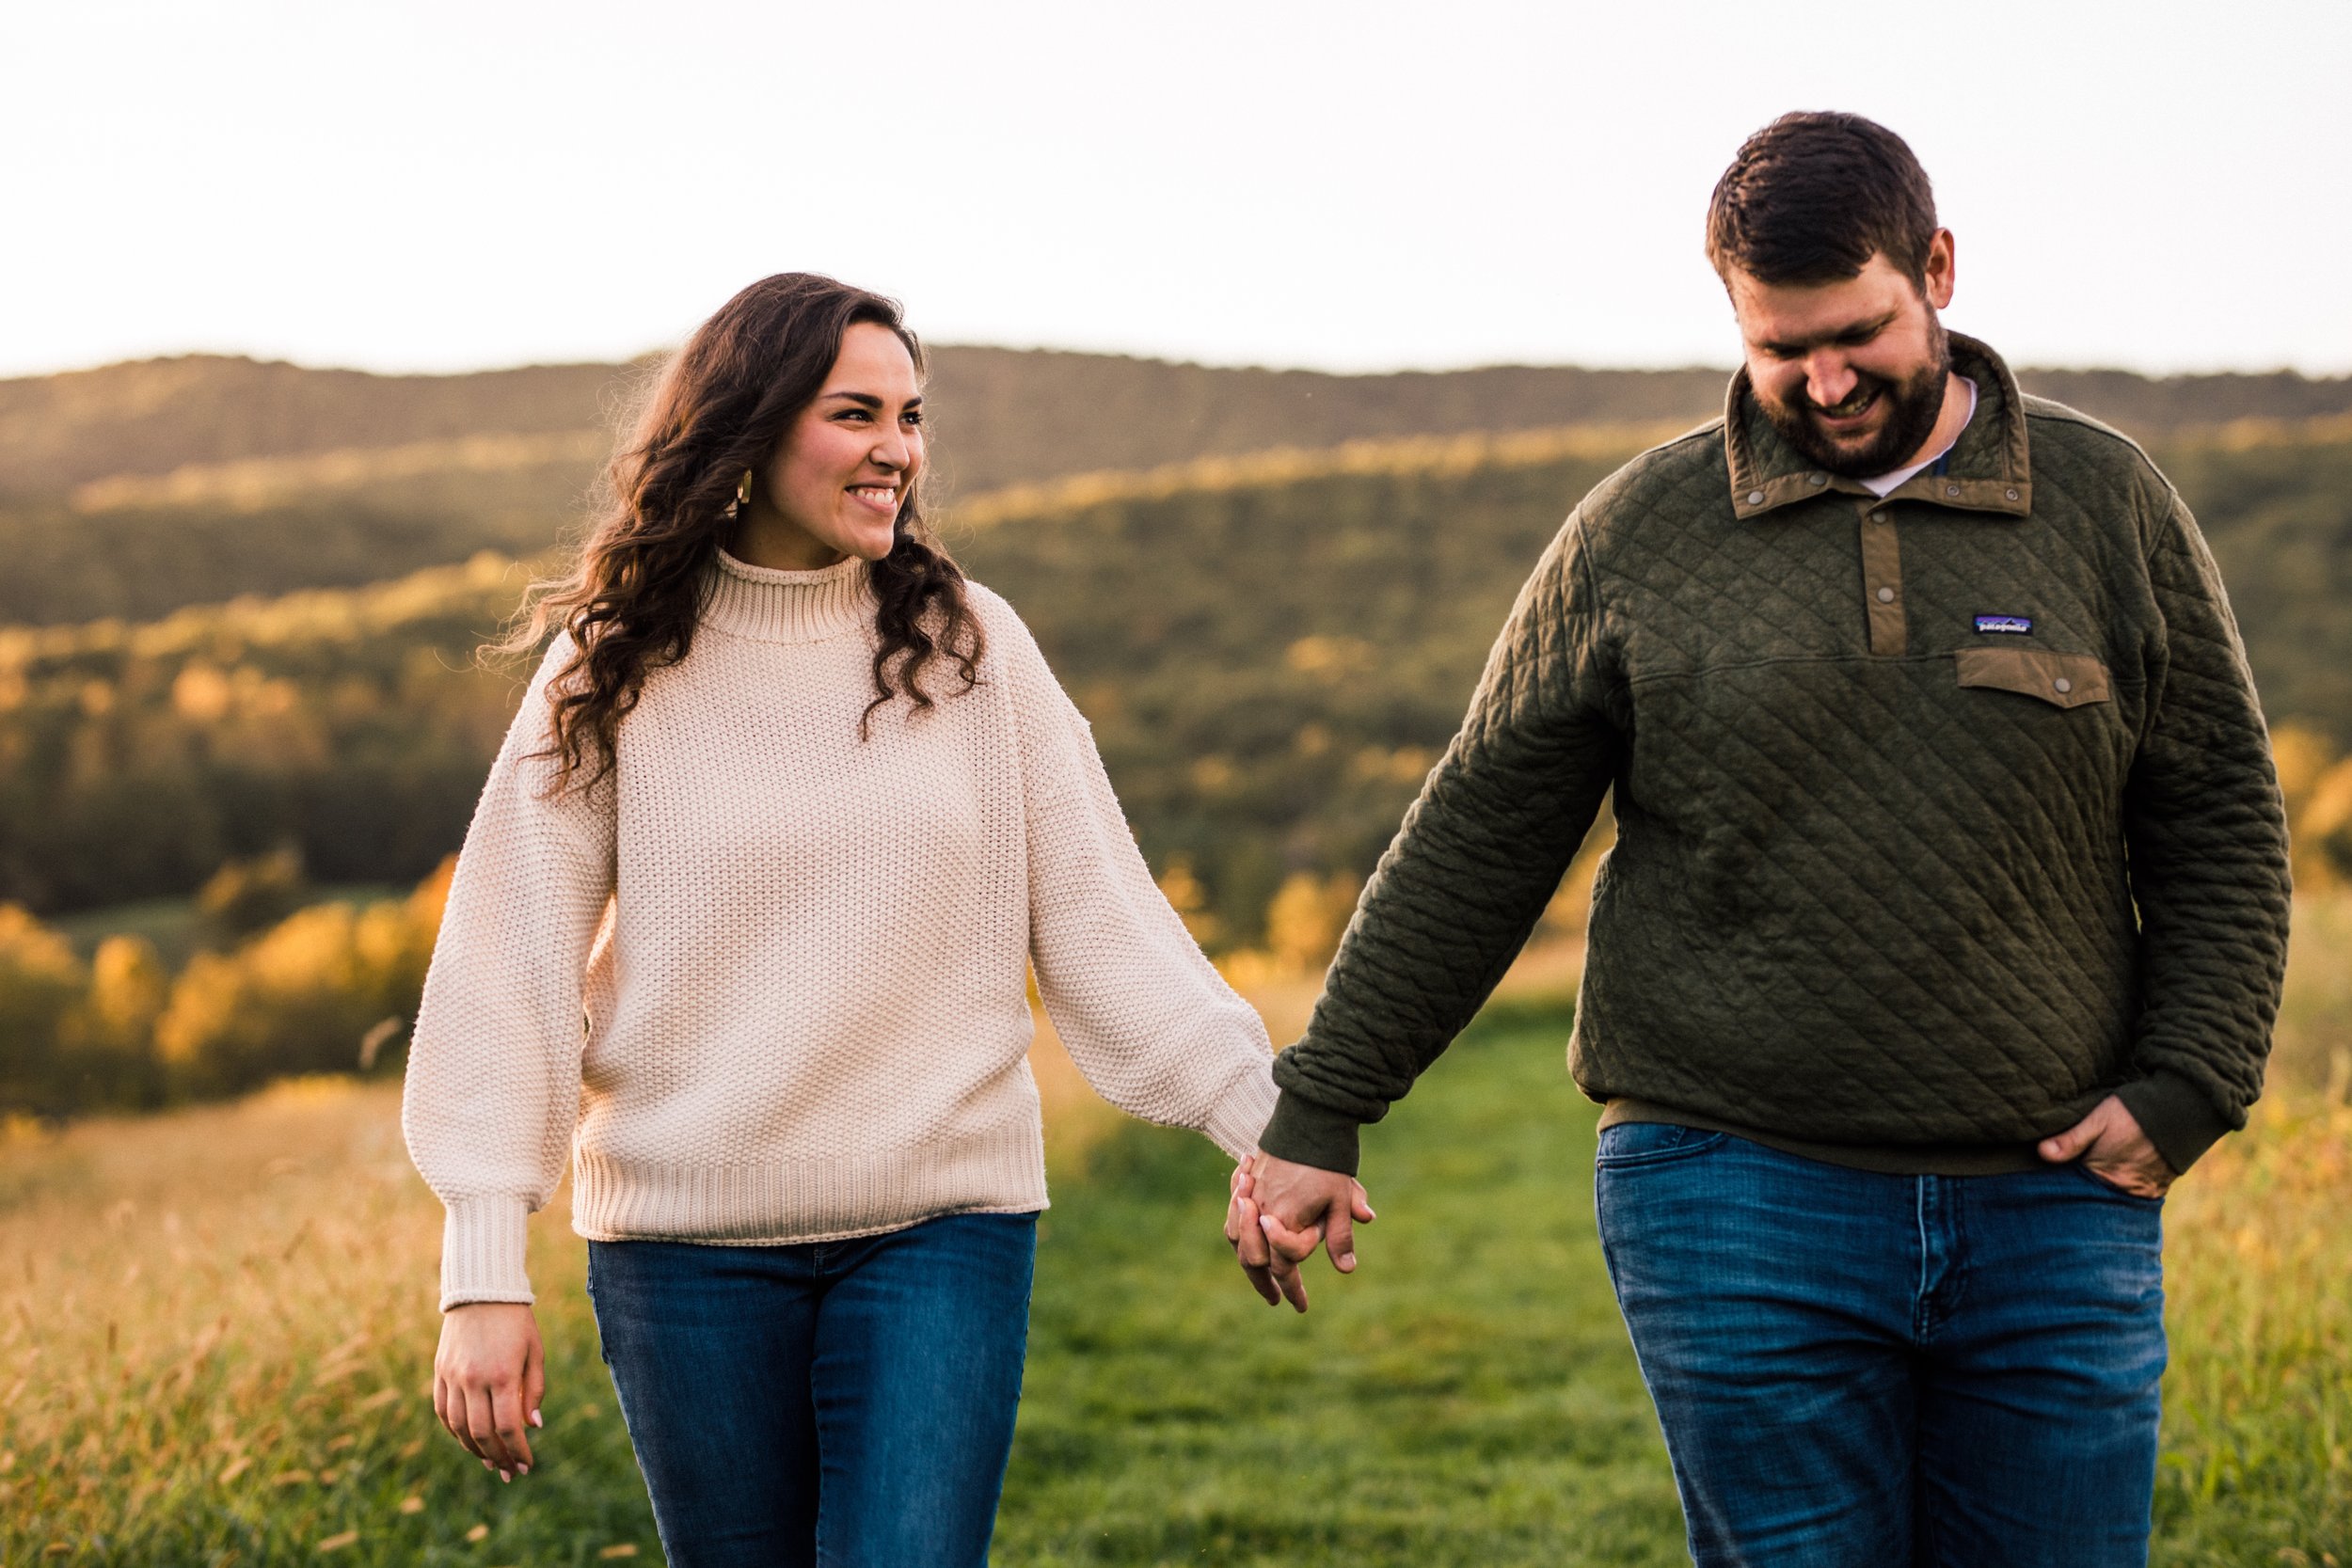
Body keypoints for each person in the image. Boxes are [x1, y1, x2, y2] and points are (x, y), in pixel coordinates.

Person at [1228, 112, 2292, 1563]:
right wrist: (1323, 1103)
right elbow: (1481, 830)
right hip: (1732, 1197)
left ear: (1941, 268)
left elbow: (2221, 815)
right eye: (1782, 348)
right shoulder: (1639, 534)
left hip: (2053, 1205)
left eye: (1860, 332)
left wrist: (2193, 1081)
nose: (1829, 380)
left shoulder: (2109, 507)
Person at [401, 272, 1290, 1568]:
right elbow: (508, 958)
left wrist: (1265, 1130)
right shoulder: (613, 662)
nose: (898, 451)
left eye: (911, 417)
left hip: (940, 1229)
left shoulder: (970, 645)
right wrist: (483, 1263)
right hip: (683, 1252)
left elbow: (1107, 919)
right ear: (748, 431)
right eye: (856, 413)